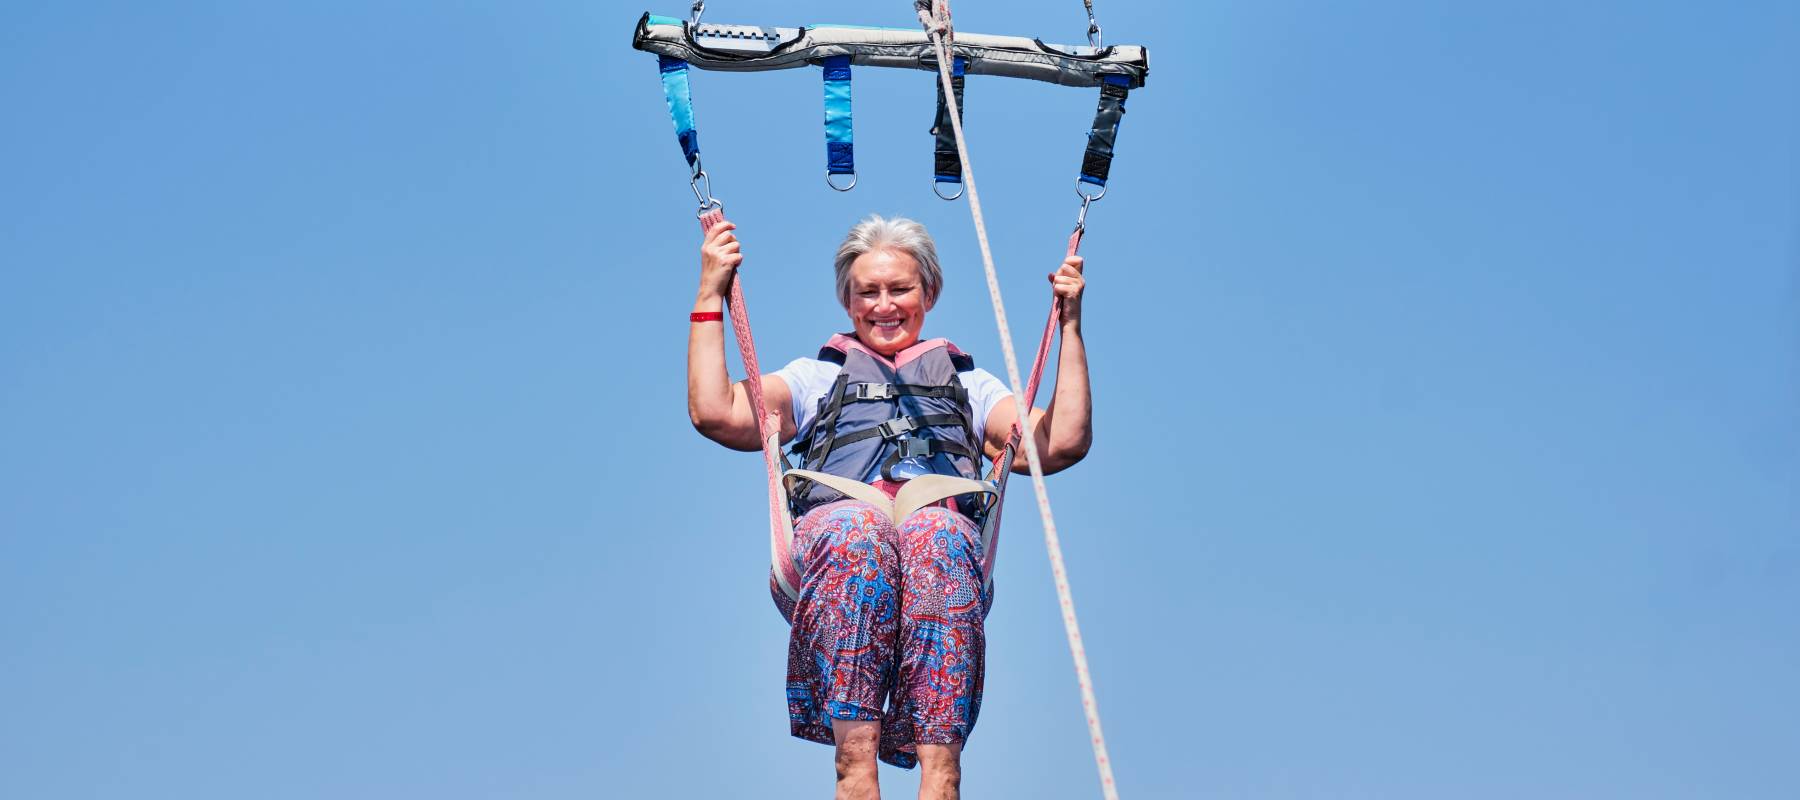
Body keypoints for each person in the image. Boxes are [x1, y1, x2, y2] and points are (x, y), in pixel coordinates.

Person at [687, 214, 1092, 800]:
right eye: (866, 292)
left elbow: (1059, 441)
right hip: (838, 549)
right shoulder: (815, 377)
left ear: (929, 292)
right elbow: (716, 410)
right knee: (858, 529)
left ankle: (941, 779)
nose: (883, 305)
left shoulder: (970, 387)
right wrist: (710, 292)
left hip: (939, 553)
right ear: (847, 301)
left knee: (936, 535)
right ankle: (856, 771)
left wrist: (1070, 329)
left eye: (899, 289)